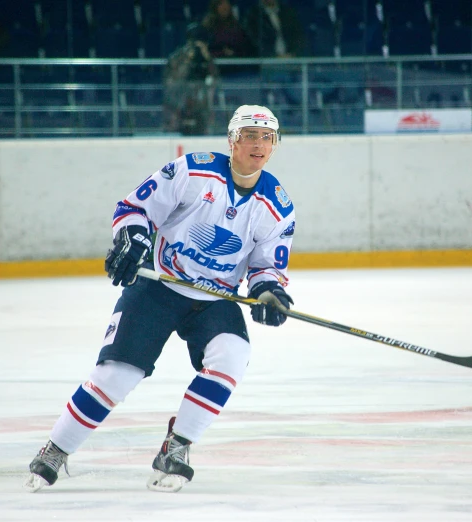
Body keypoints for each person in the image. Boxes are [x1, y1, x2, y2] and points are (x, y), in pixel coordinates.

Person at [24, 105, 296, 494]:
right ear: (232, 141)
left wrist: (269, 292)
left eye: (266, 137)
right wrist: (134, 238)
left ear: (275, 145)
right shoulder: (192, 171)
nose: (258, 144)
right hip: (158, 286)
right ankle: (57, 449)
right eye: (249, 136)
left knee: (232, 355)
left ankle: (177, 448)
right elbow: (135, 208)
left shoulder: (278, 207)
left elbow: (267, 266)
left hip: (214, 299)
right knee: (117, 375)